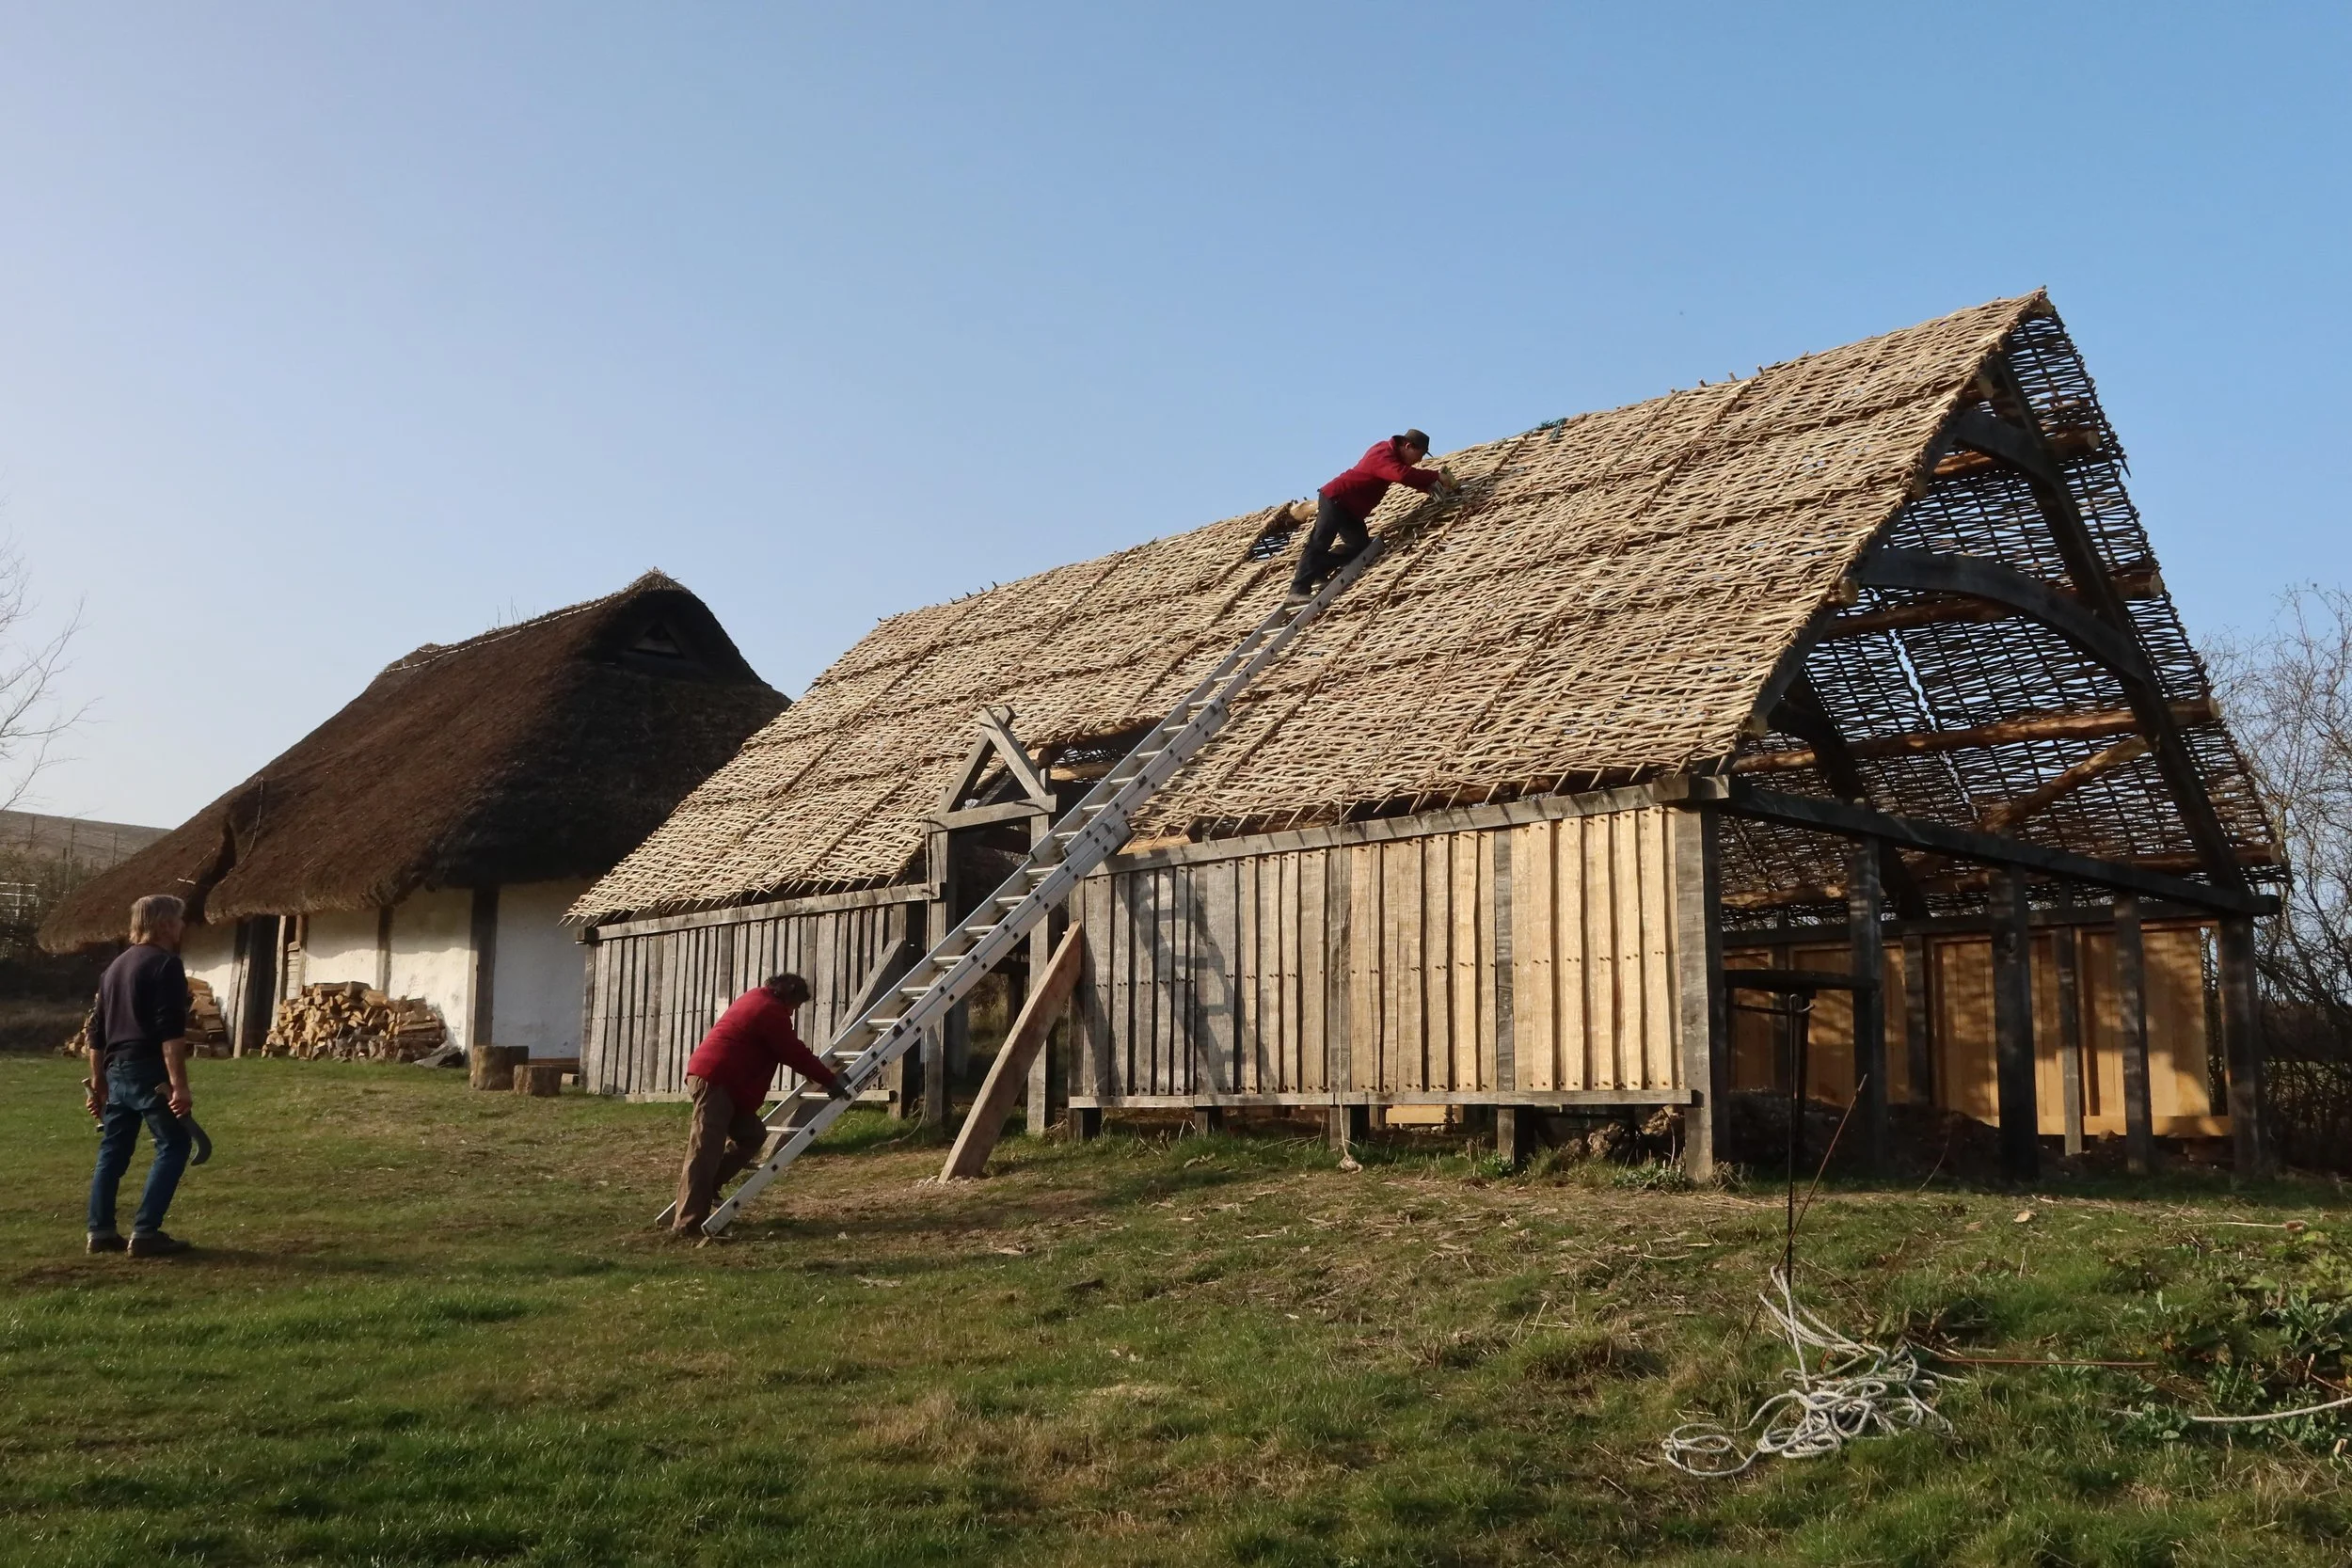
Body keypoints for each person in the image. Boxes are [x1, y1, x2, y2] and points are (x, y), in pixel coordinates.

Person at [672, 972, 850, 1236]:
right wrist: (829, 1081)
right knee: (704, 1151)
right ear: (788, 997)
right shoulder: (769, 1010)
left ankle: (709, 1186)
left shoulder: (755, 998)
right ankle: (688, 1224)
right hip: (716, 1081)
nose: (792, 1013)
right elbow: (793, 1052)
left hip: (725, 1083)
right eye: (795, 1006)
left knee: (752, 1135)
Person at [86, 894, 196, 1258]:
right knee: (175, 1144)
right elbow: (170, 1031)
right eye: (178, 920)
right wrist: (179, 1084)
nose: (182, 926)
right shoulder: (166, 965)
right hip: (149, 1070)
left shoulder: (113, 968)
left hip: (117, 1070)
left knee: (113, 1150)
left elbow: (96, 1033)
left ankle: (100, 1231)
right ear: (165, 923)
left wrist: (99, 1084)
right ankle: (146, 1232)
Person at [1287, 429, 1454, 603]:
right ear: (1408, 446)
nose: (1418, 462)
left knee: (1360, 547)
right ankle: (1297, 590)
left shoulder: (1392, 458)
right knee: (1319, 541)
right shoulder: (1382, 452)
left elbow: (1401, 474)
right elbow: (1401, 474)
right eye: (1418, 456)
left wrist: (1426, 487)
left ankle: (1318, 570)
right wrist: (1435, 476)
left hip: (1350, 509)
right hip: (1336, 498)